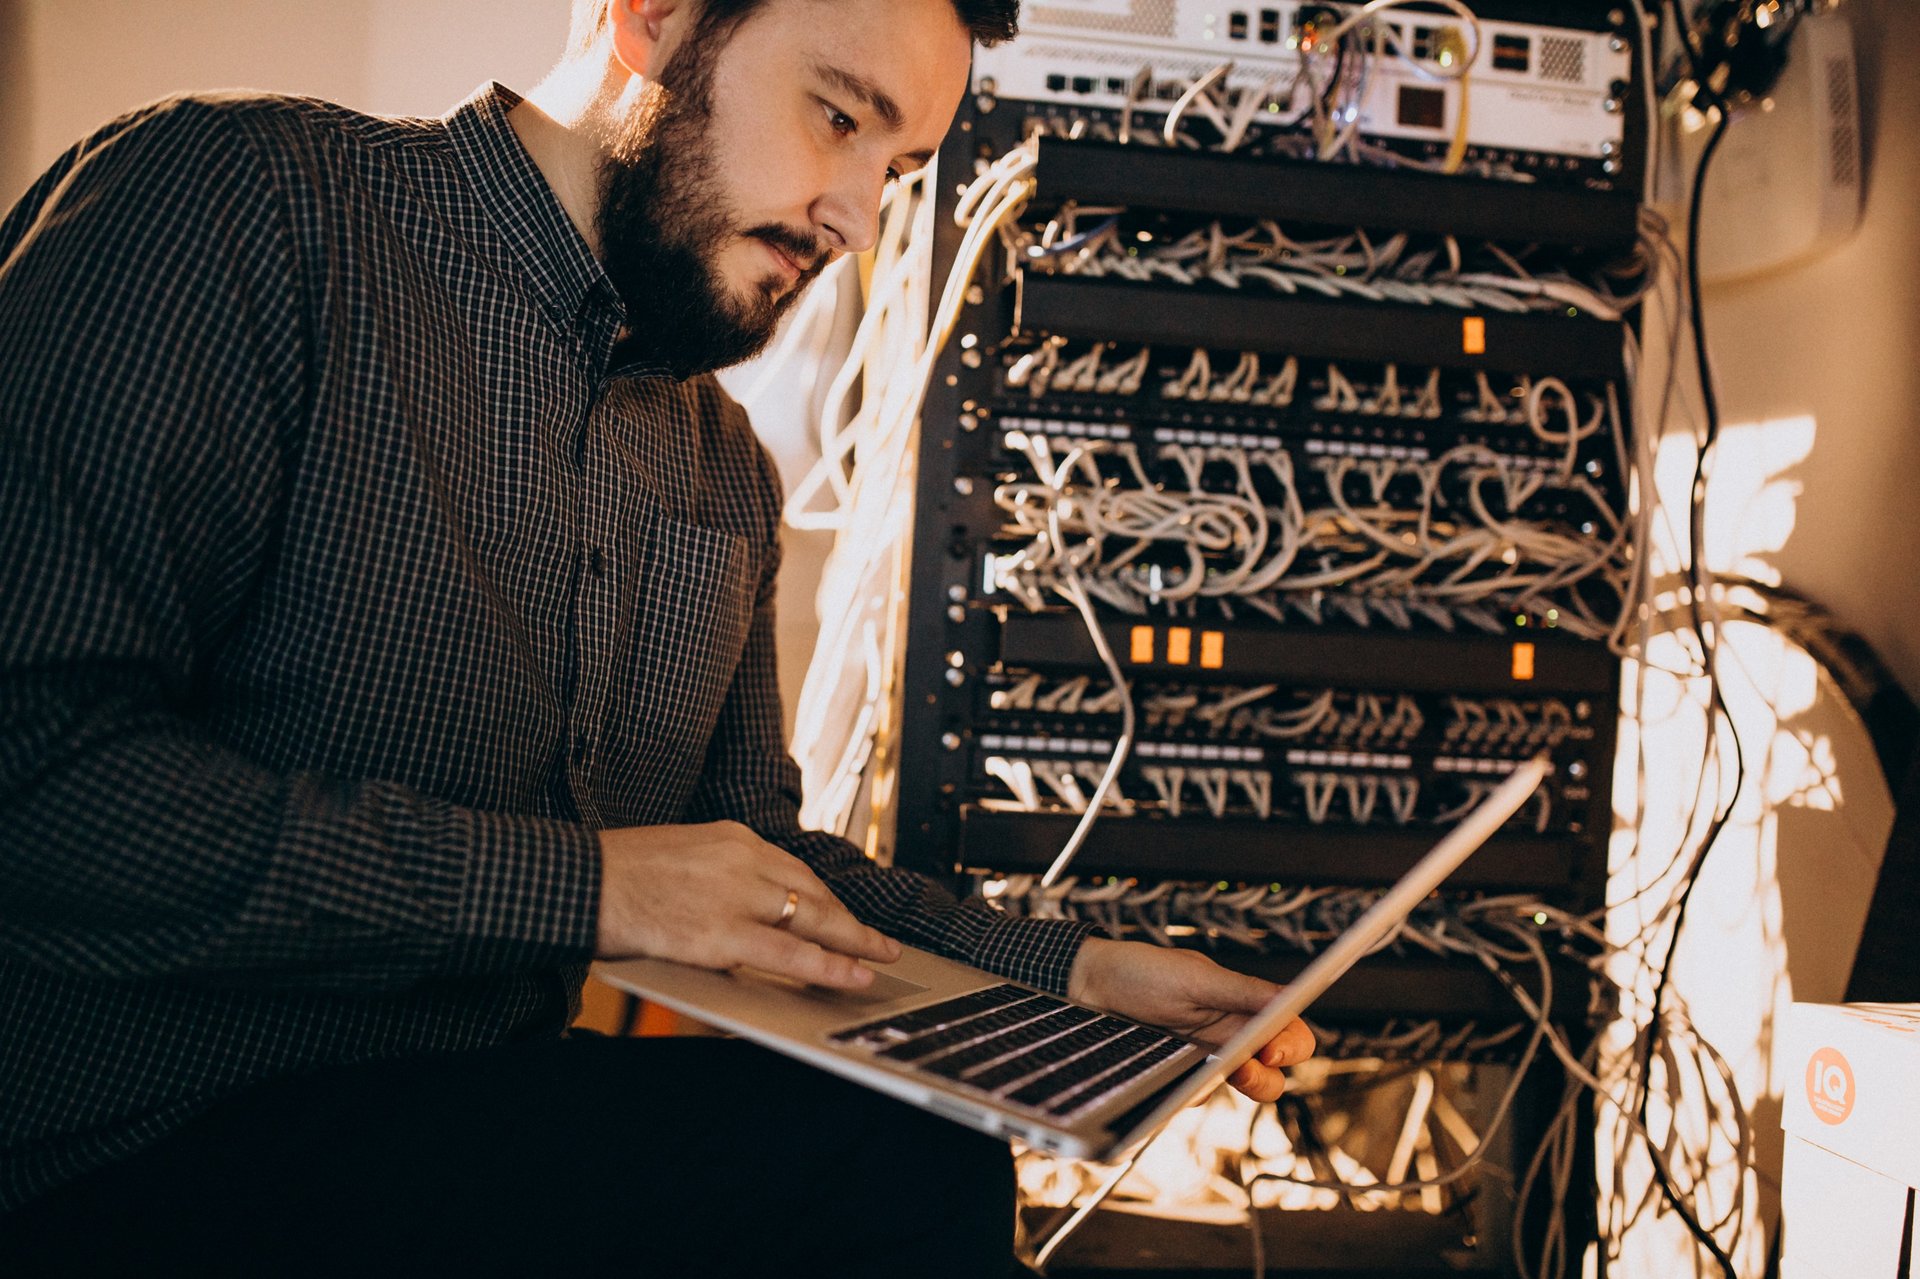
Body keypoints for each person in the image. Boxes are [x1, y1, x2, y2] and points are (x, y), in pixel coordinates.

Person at [0, 0, 1315, 1272]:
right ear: (652, 17)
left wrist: (1073, 973)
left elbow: (755, 862)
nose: (857, 219)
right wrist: (588, 887)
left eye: (899, 166)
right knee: (889, 1174)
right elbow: (33, 773)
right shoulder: (240, 206)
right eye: (837, 118)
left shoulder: (724, 470)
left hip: (462, 1133)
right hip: (112, 1155)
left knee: (919, 1147)